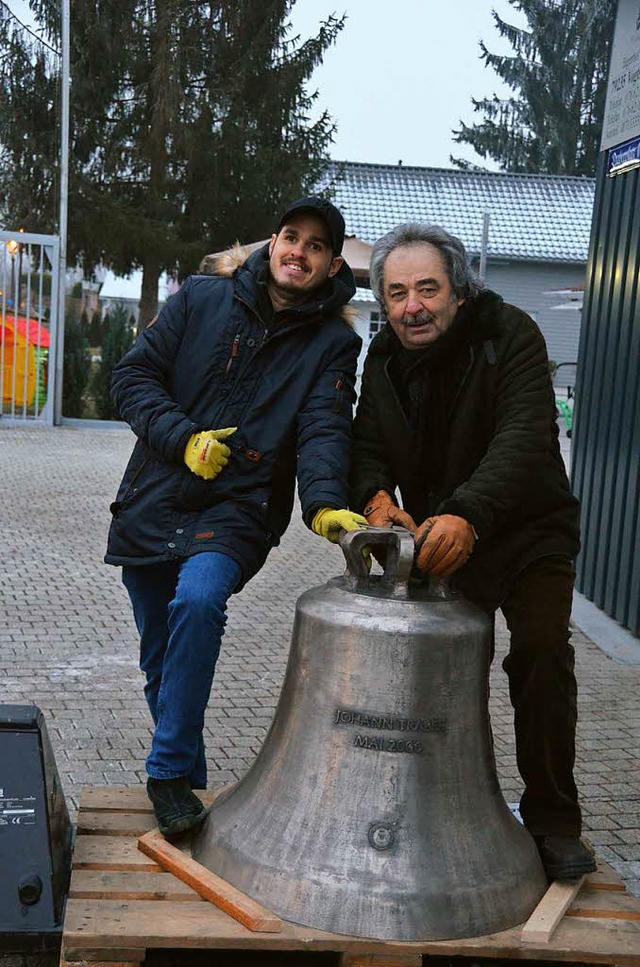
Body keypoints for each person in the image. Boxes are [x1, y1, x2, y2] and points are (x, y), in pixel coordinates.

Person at [106, 197, 366, 837]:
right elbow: (133, 377)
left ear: (331, 265)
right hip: (156, 491)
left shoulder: (333, 342)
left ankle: (165, 775)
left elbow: (325, 427)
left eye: (314, 246)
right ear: (270, 243)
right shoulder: (200, 298)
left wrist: (327, 502)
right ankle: (187, 786)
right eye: (290, 237)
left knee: (197, 603)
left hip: (240, 506)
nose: (297, 252)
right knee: (161, 660)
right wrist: (183, 438)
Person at [350, 222, 596, 881]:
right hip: (442, 539)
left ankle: (550, 818)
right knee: (447, 671)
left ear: (458, 290)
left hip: (527, 531)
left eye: (427, 288)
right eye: (397, 292)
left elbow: (524, 436)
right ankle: (445, 806)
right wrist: (375, 498)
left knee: (541, 653)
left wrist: (467, 510)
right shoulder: (383, 360)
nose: (412, 306)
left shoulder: (510, 334)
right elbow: (367, 441)